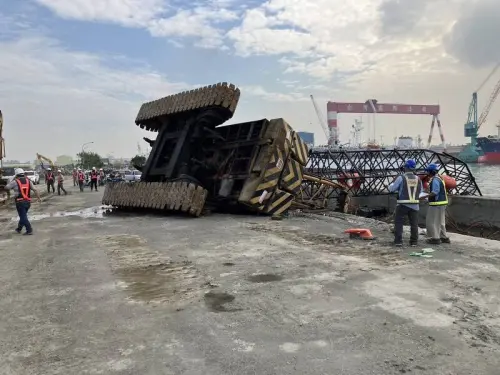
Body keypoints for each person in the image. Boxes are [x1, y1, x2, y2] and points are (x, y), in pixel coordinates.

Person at [388, 159, 423, 247]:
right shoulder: (418, 179)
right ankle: (414, 242)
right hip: (415, 205)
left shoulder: (401, 177)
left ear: (406, 167)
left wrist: (391, 185)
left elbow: (392, 189)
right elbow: (421, 191)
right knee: (414, 224)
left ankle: (398, 241)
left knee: (399, 223)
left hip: (402, 204)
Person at [5, 168, 41, 235]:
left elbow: (6, 187)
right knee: (22, 216)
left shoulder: (15, 182)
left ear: (16, 175)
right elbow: (35, 190)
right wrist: (38, 198)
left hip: (20, 203)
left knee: (23, 217)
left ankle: (29, 230)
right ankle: (19, 229)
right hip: (27, 202)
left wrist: (11, 180)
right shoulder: (28, 181)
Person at [424, 163, 451, 245]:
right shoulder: (440, 178)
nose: (427, 173)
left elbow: (435, 192)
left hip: (436, 204)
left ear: (431, 171)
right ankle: (444, 237)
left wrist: (425, 196)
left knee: (432, 221)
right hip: (442, 203)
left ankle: (435, 238)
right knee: (441, 221)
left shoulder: (435, 179)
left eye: (428, 171)